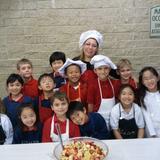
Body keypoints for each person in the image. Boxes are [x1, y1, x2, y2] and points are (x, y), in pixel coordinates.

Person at [87, 54, 119, 129]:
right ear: (95, 70)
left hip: (113, 117)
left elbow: (117, 101)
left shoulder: (114, 83)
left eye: (106, 68)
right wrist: (91, 118)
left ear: (109, 69)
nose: (103, 71)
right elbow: (90, 104)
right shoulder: (92, 85)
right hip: (98, 118)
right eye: (100, 69)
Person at [138, 66, 160, 137]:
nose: (149, 81)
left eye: (151, 77)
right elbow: (147, 118)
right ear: (142, 82)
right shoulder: (143, 97)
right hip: (153, 131)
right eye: (146, 79)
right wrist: (152, 134)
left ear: (157, 78)